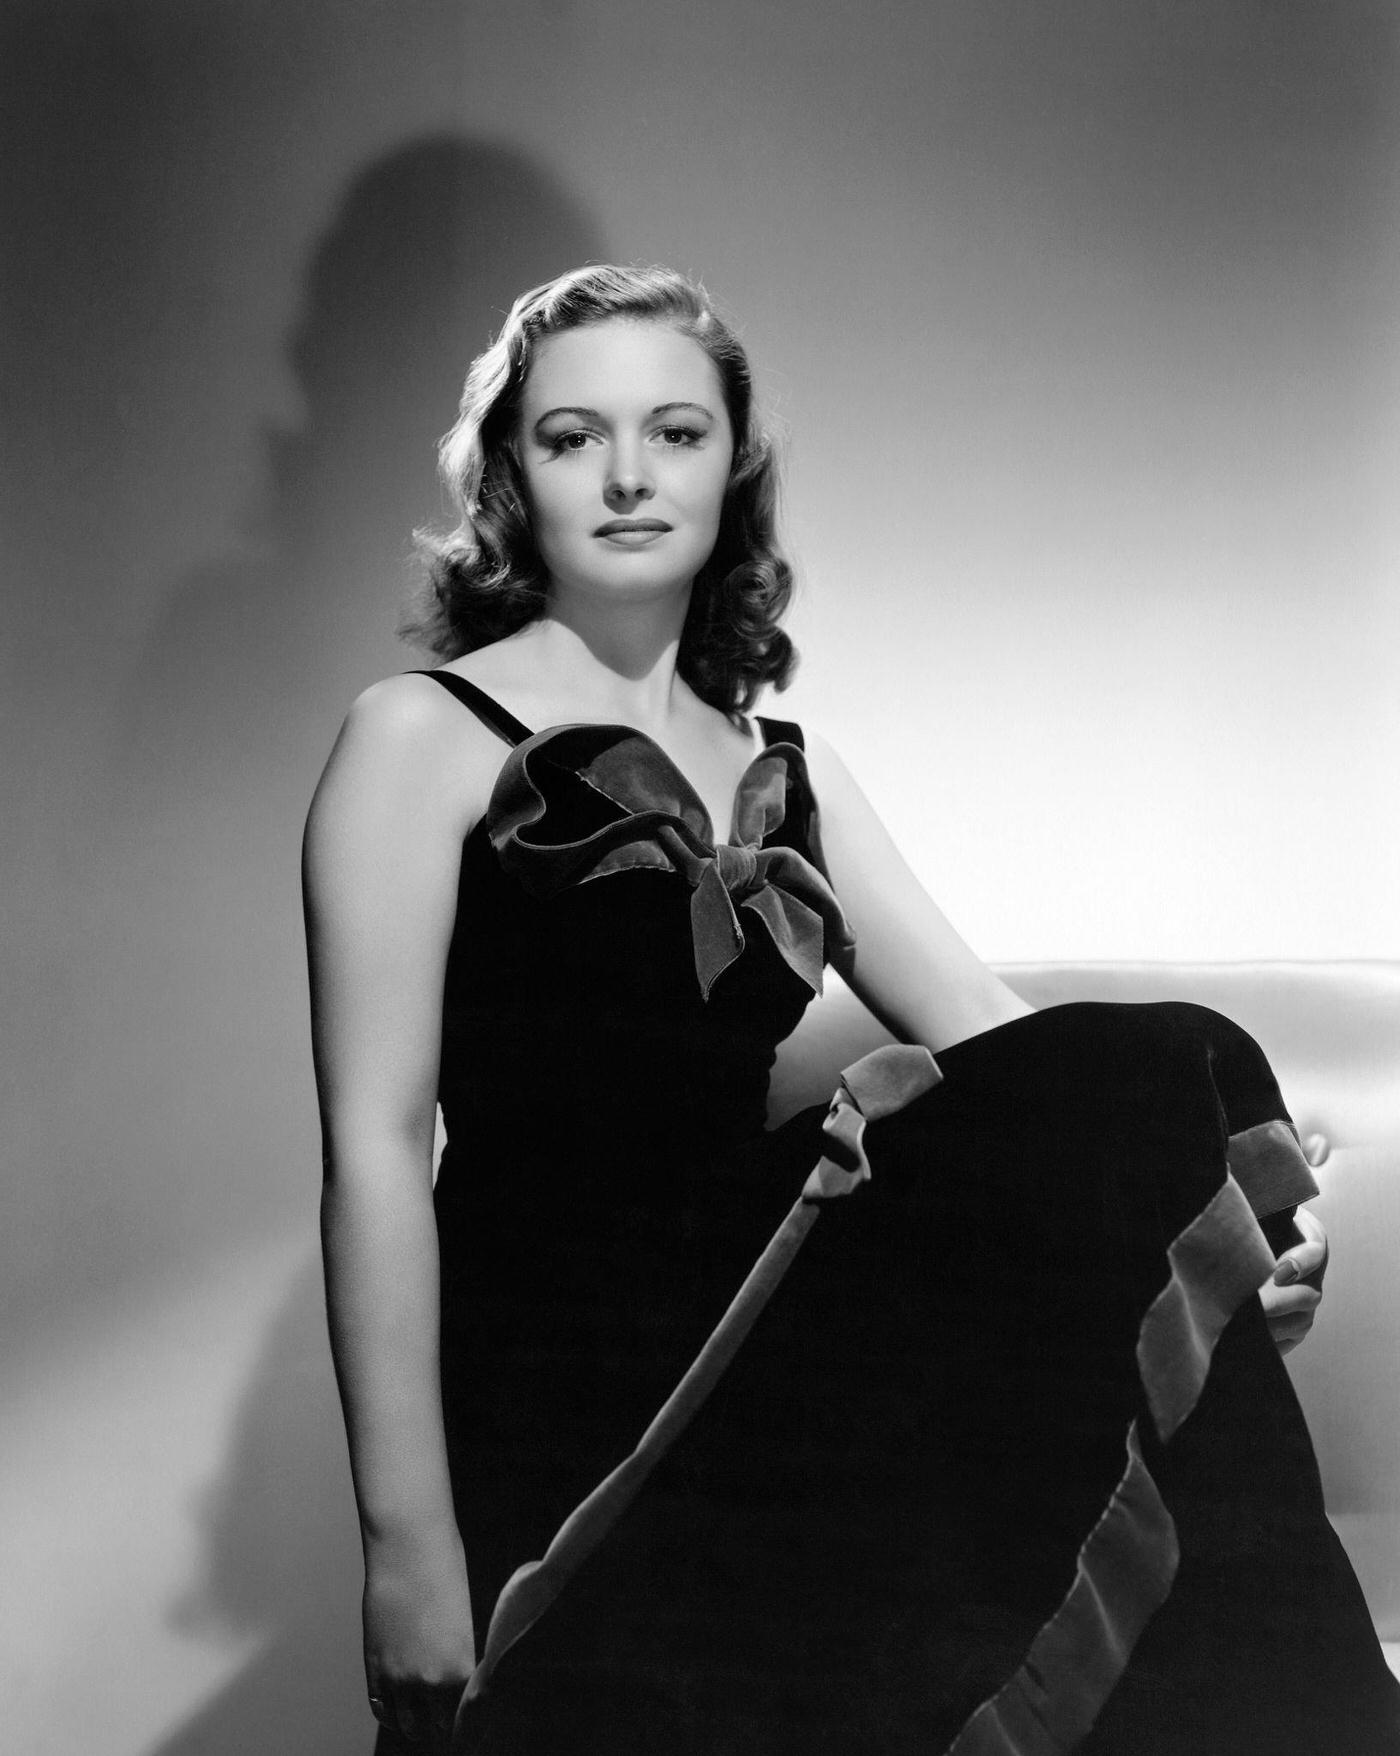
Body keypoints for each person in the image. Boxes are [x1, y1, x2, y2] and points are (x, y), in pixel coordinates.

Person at [303, 264, 1397, 1755]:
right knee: (1143, 1071)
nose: (628, 476)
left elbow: (1006, 1047)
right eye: (572, 437)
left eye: (674, 432)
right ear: (511, 474)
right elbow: (372, 1152)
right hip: (553, 1357)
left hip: (766, 1339)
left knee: (1161, 1057)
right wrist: (403, 1543)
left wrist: (1220, 1208)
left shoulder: (790, 770)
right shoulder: (415, 737)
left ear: (731, 467)